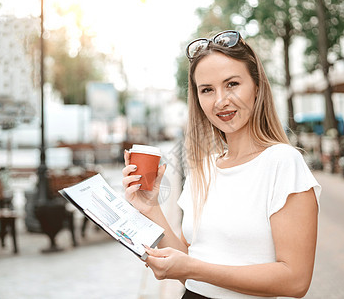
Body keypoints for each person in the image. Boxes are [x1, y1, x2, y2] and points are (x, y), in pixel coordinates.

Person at [122, 30, 321, 298]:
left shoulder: (283, 163)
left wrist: (194, 267)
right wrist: (150, 207)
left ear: (257, 87)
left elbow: (295, 280)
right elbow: (188, 262)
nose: (220, 101)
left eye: (232, 84)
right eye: (207, 90)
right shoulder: (202, 169)